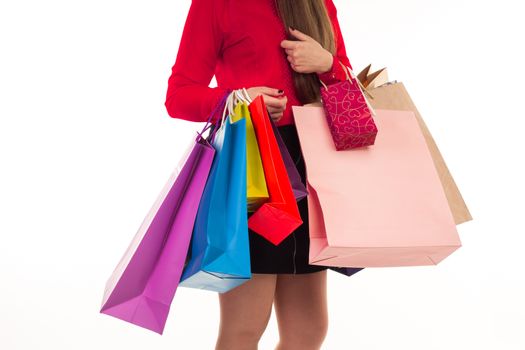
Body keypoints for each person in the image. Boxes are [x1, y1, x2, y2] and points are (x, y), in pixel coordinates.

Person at [164, 0, 353, 348]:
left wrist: (327, 64)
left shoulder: (318, 2)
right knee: (246, 325)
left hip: (313, 169)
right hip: (253, 171)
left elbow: (351, 93)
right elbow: (178, 96)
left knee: (308, 329)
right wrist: (239, 98)